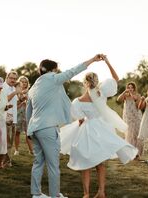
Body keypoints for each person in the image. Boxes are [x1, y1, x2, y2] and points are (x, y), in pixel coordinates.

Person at [26, 54, 104, 198]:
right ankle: (55, 195)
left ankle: (36, 194)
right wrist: (92, 60)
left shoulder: (33, 87)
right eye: (57, 69)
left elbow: (28, 112)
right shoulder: (53, 79)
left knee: (38, 162)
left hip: (34, 129)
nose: (58, 71)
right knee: (53, 165)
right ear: (52, 70)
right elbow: (73, 71)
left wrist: (28, 132)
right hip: (48, 128)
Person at [60, 56, 138, 198]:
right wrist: (107, 62)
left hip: (87, 130)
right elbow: (116, 78)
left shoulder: (78, 101)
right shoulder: (101, 93)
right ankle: (101, 191)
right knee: (100, 163)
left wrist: (80, 122)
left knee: (85, 163)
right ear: (96, 82)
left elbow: (78, 119)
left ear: (84, 83)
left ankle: (86, 193)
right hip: (102, 130)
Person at [117, 82, 143, 157]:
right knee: (129, 134)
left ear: (134, 88)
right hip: (128, 116)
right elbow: (118, 99)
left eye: (132, 87)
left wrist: (131, 93)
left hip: (136, 116)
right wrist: (124, 92)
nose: (130, 89)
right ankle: (131, 151)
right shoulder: (125, 95)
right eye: (129, 87)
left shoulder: (137, 95)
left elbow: (135, 100)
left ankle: (137, 151)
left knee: (136, 133)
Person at [14, 76, 33, 155]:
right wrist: (21, 102)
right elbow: (14, 105)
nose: (24, 83)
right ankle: (16, 150)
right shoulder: (16, 92)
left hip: (27, 114)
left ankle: (31, 150)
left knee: (28, 133)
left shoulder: (30, 92)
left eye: (25, 82)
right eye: (22, 81)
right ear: (19, 82)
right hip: (18, 113)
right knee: (17, 132)